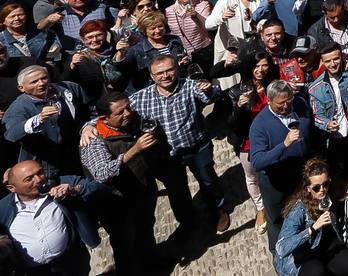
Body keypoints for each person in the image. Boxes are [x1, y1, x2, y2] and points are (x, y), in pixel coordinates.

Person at [129, 55, 229, 235]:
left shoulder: (190, 86)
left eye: (169, 70)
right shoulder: (140, 98)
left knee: (208, 180)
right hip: (167, 156)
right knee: (177, 191)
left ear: (177, 70)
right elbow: (115, 112)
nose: (165, 76)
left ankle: (218, 211)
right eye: (159, 73)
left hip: (197, 146)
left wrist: (208, 89)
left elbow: (211, 95)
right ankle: (187, 222)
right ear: (152, 76)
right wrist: (89, 127)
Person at [79, 90, 163, 269]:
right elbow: (101, 173)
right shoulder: (93, 141)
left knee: (146, 229)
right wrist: (135, 150)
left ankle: (152, 264)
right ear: (105, 117)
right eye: (120, 112)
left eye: (128, 108)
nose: (128, 114)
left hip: (142, 191)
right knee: (124, 244)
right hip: (116, 203)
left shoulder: (131, 121)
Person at [0, 160, 100, 275]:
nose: (38, 180)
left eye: (40, 173)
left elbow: (100, 188)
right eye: (29, 179)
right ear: (12, 188)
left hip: (71, 265)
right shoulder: (3, 208)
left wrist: (74, 189)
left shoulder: (60, 183)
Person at [251, 80, 314, 247]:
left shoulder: (299, 104)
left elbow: (312, 131)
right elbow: (257, 162)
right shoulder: (260, 125)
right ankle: (280, 253)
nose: (286, 107)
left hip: (301, 174)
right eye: (281, 104)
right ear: (269, 101)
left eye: (289, 101)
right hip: (276, 183)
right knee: (278, 220)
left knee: (305, 210)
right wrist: (284, 145)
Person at [273, 158, 348, 276]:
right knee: (316, 271)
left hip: (323, 249)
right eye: (316, 187)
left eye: (325, 184)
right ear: (308, 188)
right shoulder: (298, 210)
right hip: (302, 258)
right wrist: (313, 228)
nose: (322, 190)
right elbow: (282, 248)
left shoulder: (328, 196)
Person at [2, 65, 89, 177]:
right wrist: (38, 119)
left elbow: (91, 110)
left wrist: (88, 126)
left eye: (44, 78)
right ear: (21, 88)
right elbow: (11, 134)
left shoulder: (69, 89)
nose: (41, 83)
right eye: (34, 82)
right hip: (47, 165)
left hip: (78, 154)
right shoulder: (19, 107)